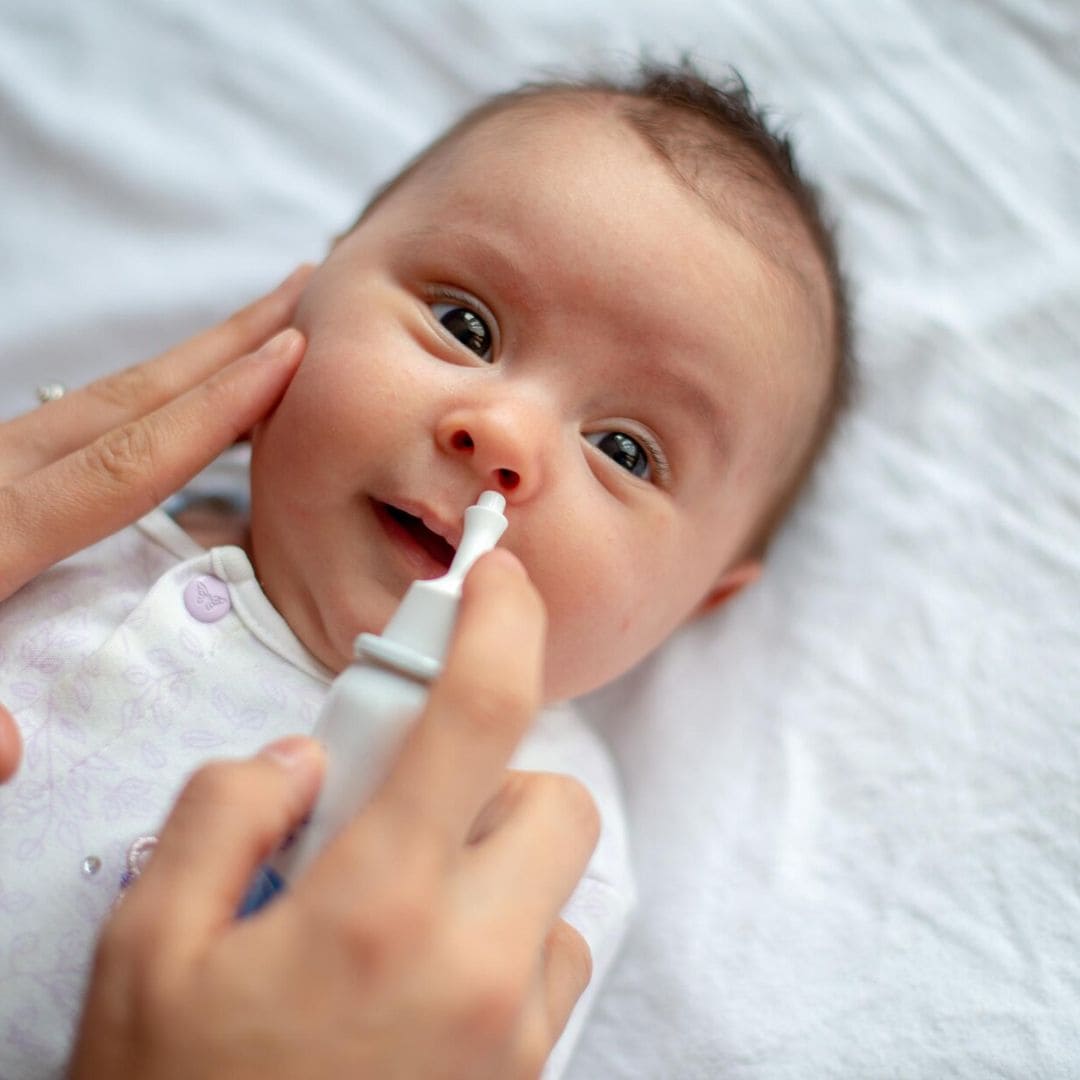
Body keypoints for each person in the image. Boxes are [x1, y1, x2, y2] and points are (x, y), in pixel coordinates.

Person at [0, 60, 850, 1077]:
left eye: (624, 450)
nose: (503, 437)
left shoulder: (533, 844)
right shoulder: (67, 516)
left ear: (698, 600)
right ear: (310, 295)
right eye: (465, 325)